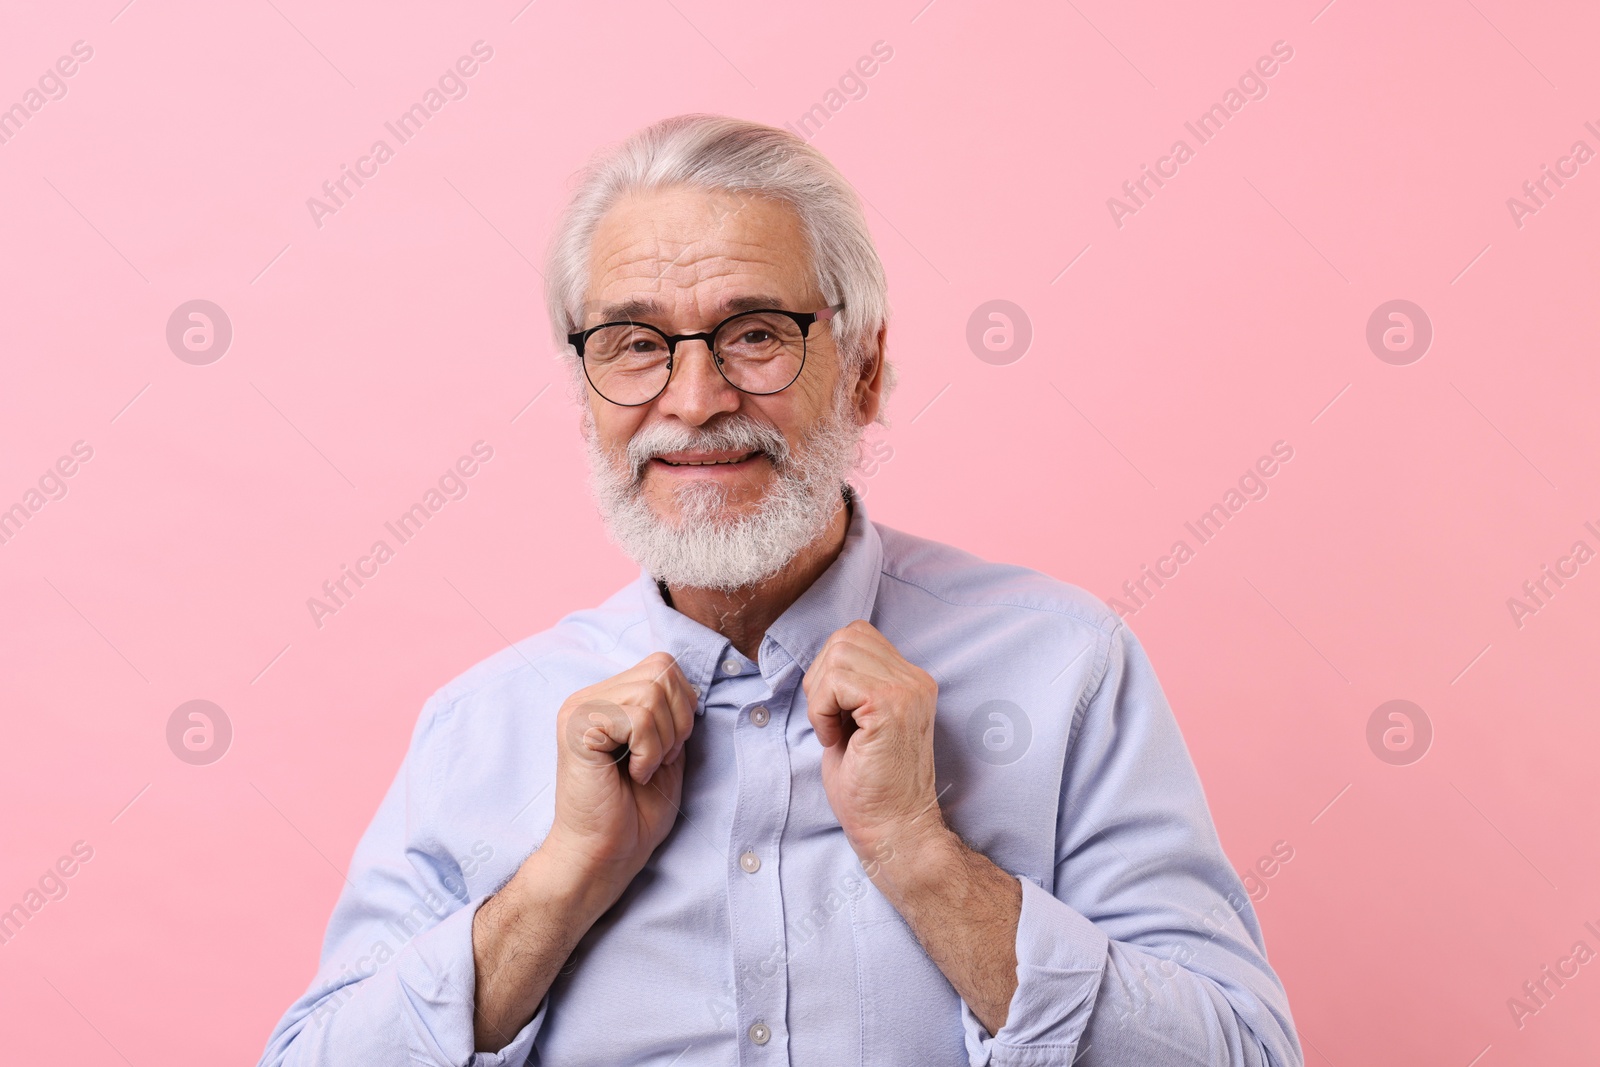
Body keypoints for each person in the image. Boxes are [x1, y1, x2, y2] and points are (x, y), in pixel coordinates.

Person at [257, 113, 1302, 1066]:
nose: (696, 399)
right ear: (584, 393)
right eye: (633, 344)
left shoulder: (1065, 665)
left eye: (754, 332)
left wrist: (924, 858)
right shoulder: (478, 726)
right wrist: (556, 882)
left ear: (863, 365)